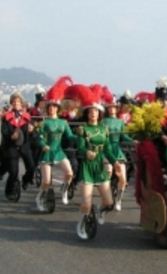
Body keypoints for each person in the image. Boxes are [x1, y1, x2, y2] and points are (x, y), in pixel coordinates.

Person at [75, 84, 122, 240]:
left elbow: (108, 149)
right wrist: (85, 152)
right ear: (87, 113)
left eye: (96, 111)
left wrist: (115, 162)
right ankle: (83, 219)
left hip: (101, 165)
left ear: (99, 113)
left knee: (109, 203)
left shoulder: (104, 129)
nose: (93, 113)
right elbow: (79, 148)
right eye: (90, 111)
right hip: (88, 166)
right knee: (86, 203)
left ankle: (99, 210)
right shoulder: (82, 129)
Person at [35, 76, 75, 211]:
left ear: (58, 108)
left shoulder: (63, 123)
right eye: (49, 107)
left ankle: (64, 189)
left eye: (54, 107)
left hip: (59, 152)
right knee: (46, 182)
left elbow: (70, 136)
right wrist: (43, 145)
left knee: (69, 173)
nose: (52, 109)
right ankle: (40, 196)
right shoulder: (44, 123)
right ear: (47, 109)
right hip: (47, 153)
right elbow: (39, 137)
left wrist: (82, 135)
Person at [101, 97, 135, 211]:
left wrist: (133, 141)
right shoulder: (103, 121)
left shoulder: (120, 122)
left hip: (117, 150)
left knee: (123, 179)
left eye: (114, 107)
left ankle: (119, 200)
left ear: (116, 108)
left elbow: (123, 136)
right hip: (106, 149)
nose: (112, 109)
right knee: (108, 173)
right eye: (109, 107)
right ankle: (106, 197)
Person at [1, 93, 35, 200]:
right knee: (14, 172)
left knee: (31, 167)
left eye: (18, 102)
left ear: (21, 103)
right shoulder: (6, 117)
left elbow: (33, 133)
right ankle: (9, 189)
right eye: (14, 102)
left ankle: (26, 179)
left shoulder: (27, 117)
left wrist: (31, 130)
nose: (16, 103)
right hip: (11, 147)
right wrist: (11, 136)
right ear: (11, 103)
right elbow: (4, 131)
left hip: (24, 146)